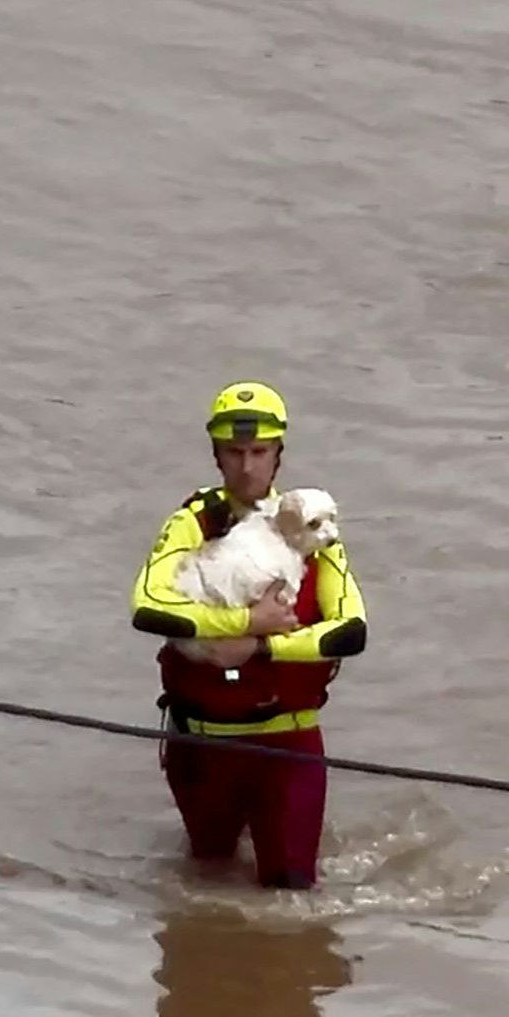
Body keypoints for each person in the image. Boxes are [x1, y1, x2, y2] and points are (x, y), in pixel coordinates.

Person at [128, 380, 368, 889]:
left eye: (259, 452)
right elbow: (149, 607)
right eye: (234, 453)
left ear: (279, 455)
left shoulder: (316, 528)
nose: (246, 467)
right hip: (199, 743)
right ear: (216, 455)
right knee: (205, 880)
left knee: (291, 889)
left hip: (288, 743)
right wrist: (245, 622)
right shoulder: (192, 522)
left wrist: (264, 645)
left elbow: (350, 630)